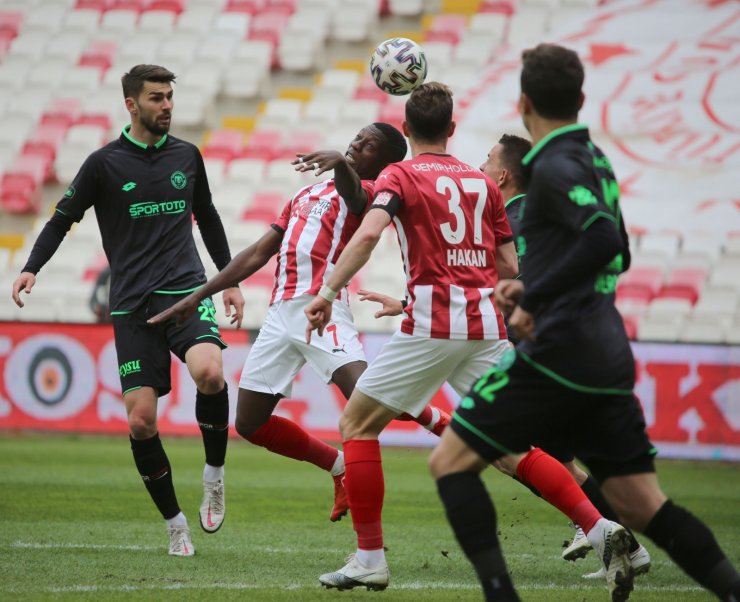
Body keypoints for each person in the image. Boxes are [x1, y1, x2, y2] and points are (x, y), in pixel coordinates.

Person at [429, 44, 740, 602]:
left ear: (524, 101)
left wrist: (531, 294)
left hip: (559, 354)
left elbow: (601, 239)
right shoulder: (594, 159)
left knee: (450, 462)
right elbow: (618, 250)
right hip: (605, 352)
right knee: (645, 506)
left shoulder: (552, 166)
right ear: (581, 99)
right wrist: (536, 286)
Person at [147, 123, 450, 524]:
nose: (356, 142)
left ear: (385, 162)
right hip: (279, 315)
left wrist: (343, 163)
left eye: (368, 143)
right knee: (250, 423)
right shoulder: (305, 194)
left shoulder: (375, 197)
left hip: (321, 310)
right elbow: (257, 253)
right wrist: (198, 295)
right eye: (355, 137)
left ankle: (446, 426)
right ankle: (336, 465)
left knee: (367, 397)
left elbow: (355, 194)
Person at [11, 64, 245, 558]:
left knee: (210, 372)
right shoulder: (103, 164)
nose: (167, 105)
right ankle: (175, 524)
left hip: (185, 293)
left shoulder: (188, 155)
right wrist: (33, 267)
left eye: (169, 97)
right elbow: (61, 218)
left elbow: (209, 217)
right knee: (141, 422)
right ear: (131, 105)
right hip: (132, 306)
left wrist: (229, 280)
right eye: (157, 98)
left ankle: (215, 475)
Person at [304, 81, 522, 592]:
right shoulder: (482, 183)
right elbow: (509, 265)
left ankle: (370, 558)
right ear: (452, 128)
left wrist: (329, 288)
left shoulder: (400, 174)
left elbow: (368, 233)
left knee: (356, 423)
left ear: (405, 129)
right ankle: (601, 528)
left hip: (431, 324)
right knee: (512, 441)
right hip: (486, 326)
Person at [481, 133, 651, 579]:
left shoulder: (511, 224)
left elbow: (501, 286)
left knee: (516, 454)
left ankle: (610, 534)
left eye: (486, 161)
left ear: (502, 175)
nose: (480, 168)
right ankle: (615, 541)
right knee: (554, 459)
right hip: (565, 346)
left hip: (539, 351)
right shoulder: (538, 218)